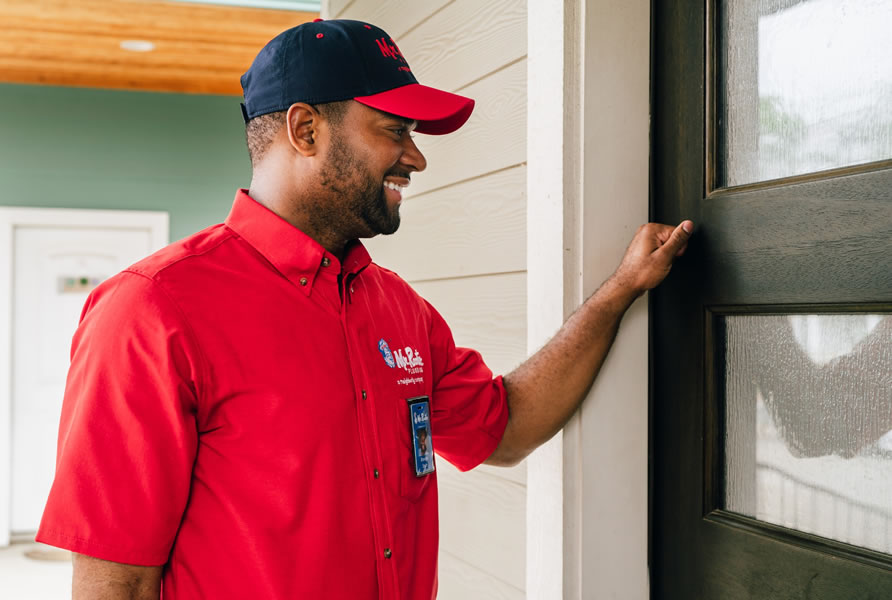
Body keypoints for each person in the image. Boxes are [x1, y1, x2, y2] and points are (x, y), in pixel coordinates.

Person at [37, 18, 692, 600]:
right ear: (306, 129)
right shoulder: (153, 309)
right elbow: (115, 582)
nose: (416, 156)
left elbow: (508, 425)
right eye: (393, 130)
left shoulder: (399, 311)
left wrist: (621, 290)